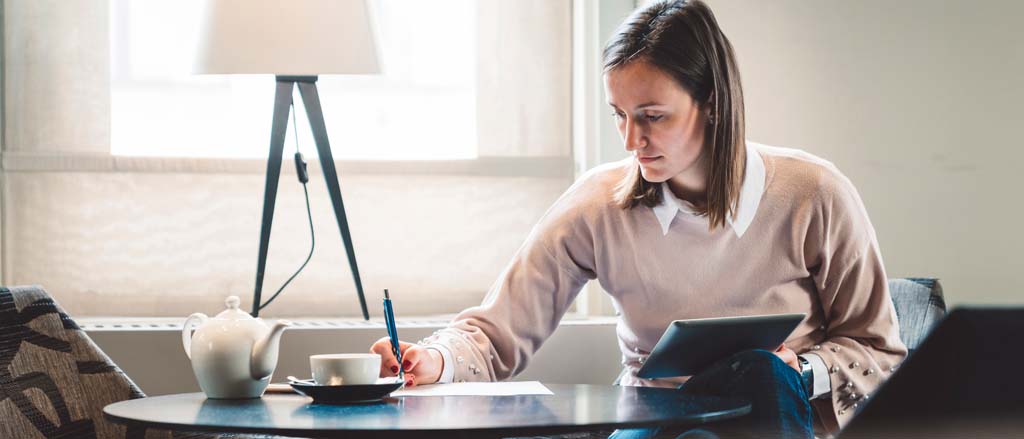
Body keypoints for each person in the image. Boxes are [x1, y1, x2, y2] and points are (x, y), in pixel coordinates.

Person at [371, 1, 906, 437]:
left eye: (652, 117)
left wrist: (803, 370)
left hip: (771, 413)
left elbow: (879, 351)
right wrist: (432, 359)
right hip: (654, 421)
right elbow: (496, 333)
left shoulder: (814, 194)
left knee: (763, 372)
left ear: (713, 103)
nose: (631, 141)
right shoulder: (598, 206)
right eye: (619, 116)